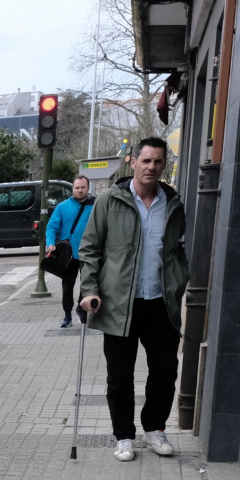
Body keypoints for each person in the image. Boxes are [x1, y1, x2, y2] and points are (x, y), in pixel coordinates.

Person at [78, 136, 189, 462]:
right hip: (119, 304)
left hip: (160, 302)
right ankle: (123, 435)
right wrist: (90, 291)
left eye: (158, 162)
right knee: (120, 376)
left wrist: (181, 278)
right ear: (133, 161)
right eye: (146, 161)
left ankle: (154, 428)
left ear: (163, 165)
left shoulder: (172, 204)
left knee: (166, 371)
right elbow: (89, 249)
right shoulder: (110, 201)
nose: (152, 167)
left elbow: (175, 251)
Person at [46, 175, 94, 327]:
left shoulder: (95, 206)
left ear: (88, 188)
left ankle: (81, 307)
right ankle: (67, 315)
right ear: (72, 189)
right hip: (69, 255)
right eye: (77, 188)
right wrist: (51, 243)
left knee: (87, 285)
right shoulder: (62, 207)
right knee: (67, 286)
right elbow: (51, 227)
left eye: (82, 188)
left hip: (89, 253)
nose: (80, 191)